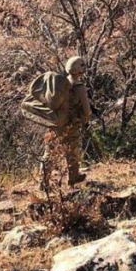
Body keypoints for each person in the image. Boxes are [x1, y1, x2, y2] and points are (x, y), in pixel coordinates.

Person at [41, 56, 92, 188]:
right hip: (70, 125)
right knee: (72, 152)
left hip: (55, 123)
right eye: (82, 65)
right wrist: (84, 119)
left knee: (49, 152)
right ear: (78, 70)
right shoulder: (79, 88)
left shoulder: (60, 85)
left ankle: (43, 181)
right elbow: (87, 111)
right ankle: (73, 178)